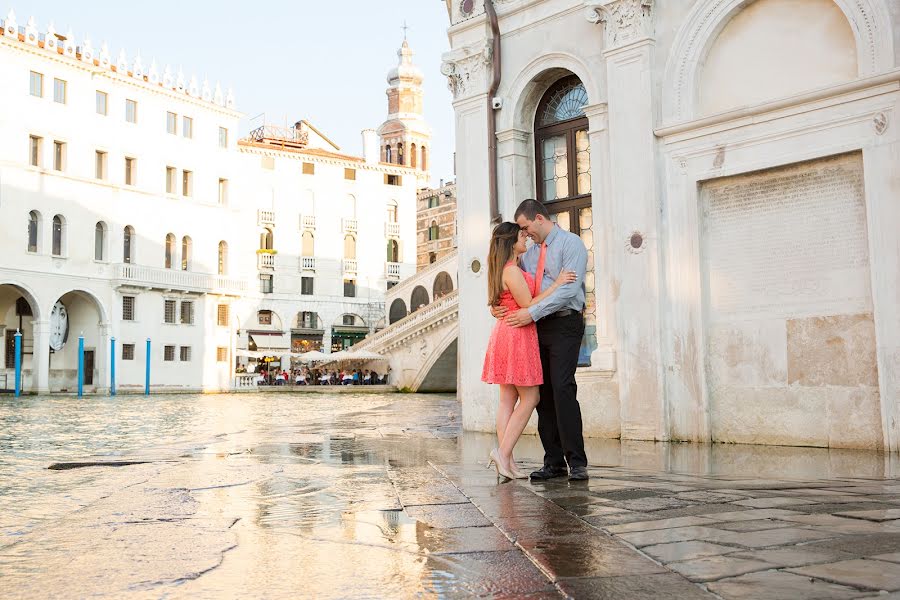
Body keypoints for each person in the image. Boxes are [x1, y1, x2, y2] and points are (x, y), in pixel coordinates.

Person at [493, 199, 590, 481]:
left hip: (564, 322)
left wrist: (529, 313)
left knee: (562, 387)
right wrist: (495, 304)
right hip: (535, 327)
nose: (524, 235)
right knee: (541, 394)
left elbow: (568, 291)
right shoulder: (529, 252)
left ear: (538, 218)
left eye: (525, 228)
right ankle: (553, 462)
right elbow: (509, 278)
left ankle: (577, 461)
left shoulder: (572, 244)